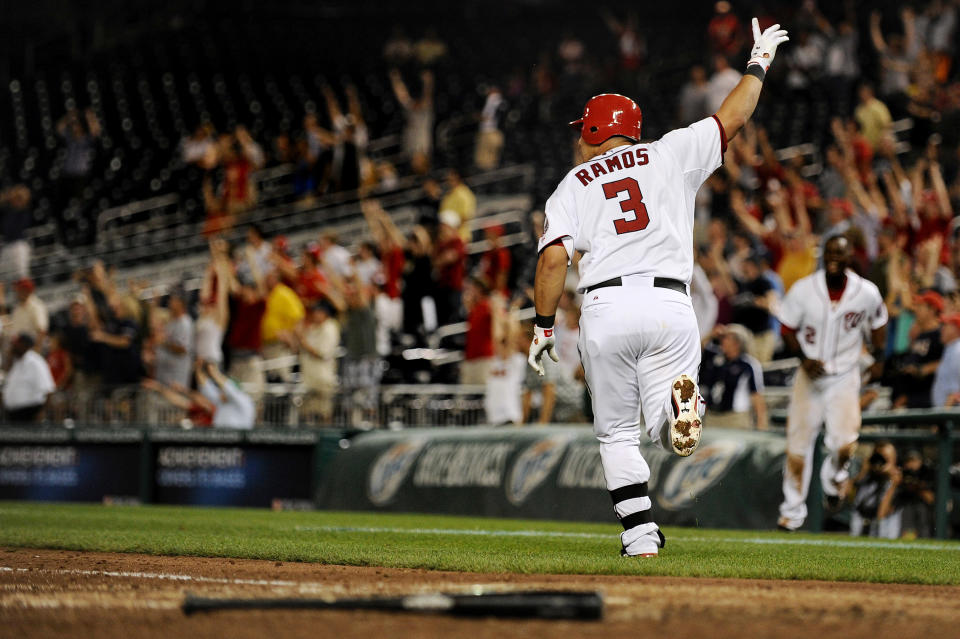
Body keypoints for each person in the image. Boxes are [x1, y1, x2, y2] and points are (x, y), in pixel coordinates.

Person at [528, 19, 789, 557]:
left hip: (606, 304)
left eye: (584, 129)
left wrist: (544, 325)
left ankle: (640, 535)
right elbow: (733, 117)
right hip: (672, 302)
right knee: (664, 430)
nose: (579, 137)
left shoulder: (573, 184)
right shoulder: (669, 152)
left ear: (597, 133)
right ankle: (676, 413)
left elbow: (555, 257)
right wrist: (758, 61)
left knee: (618, 435)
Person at [776, 235, 888, 532]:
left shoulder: (866, 292)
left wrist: (878, 357)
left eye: (840, 253)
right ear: (823, 256)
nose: (834, 259)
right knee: (798, 446)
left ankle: (835, 483)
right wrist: (802, 357)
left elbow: (879, 323)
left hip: (845, 376)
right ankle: (791, 515)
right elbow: (787, 328)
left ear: (850, 256)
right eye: (830, 254)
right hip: (809, 376)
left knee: (844, 446)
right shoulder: (804, 290)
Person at [699, 324, 767, 430]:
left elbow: (757, 396)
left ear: (736, 343)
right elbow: (700, 347)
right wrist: (711, 335)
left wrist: (761, 424)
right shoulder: (717, 358)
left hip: (735, 418)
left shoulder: (748, 364)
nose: (721, 341)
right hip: (712, 416)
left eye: (726, 338)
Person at [2, 333, 55, 424]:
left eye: (16, 344)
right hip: (13, 413)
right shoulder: (16, 362)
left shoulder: (35, 362)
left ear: (24, 344)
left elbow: (48, 390)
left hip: (30, 413)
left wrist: (42, 413)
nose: (12, 346)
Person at [932, 312, 960, 406]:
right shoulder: (950, 348)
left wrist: (945, 415)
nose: (941, 329)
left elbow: (954, 391)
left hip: (952, 413)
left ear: (956, 328)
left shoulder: (957, 350)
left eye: (946, 326)